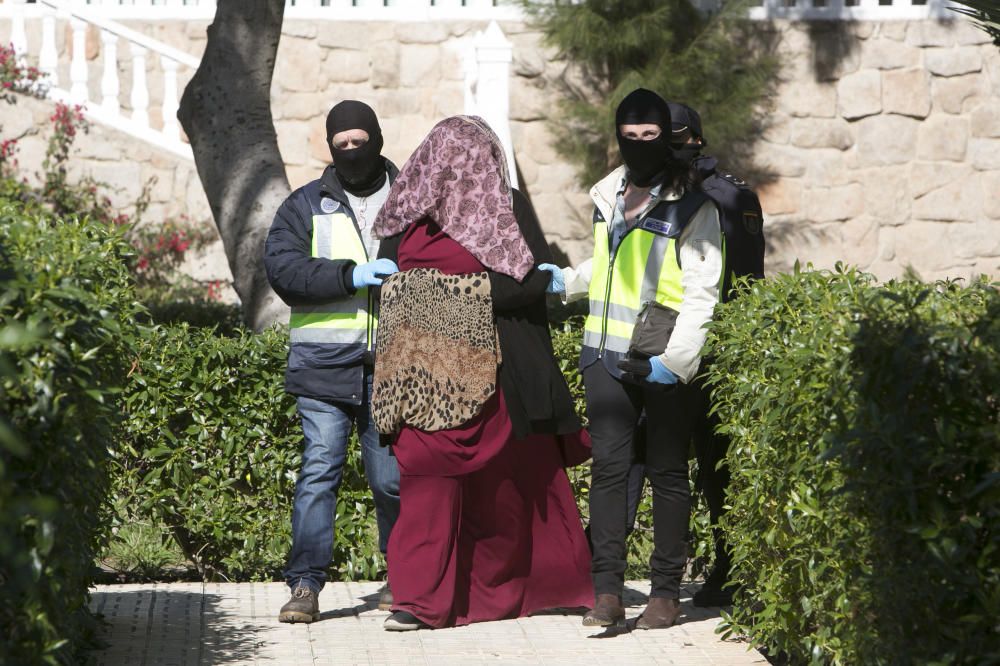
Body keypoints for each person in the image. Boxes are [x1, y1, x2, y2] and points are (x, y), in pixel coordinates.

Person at [370, 115, 593, 631]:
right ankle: (420, 600)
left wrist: (440, 296)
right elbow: (523, 282)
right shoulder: (414, 214)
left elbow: (520, 282)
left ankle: (444, 599)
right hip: (429, 382)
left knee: (505, 488)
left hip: (485, 377)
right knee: (455, 485)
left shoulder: (482, 212)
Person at [539, 88, 723, 630]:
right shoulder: (608, 194)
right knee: (610, 474)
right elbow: (607, 265)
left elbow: (702, 291)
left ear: (666, 138)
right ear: (617, 135)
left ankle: (665, 593)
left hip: (663, 363)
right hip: (605, 357)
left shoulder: (694, 206)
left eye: (650, 137)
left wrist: (678, 361)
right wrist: (565, 282)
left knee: (668, 473)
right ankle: (608, 593)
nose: (639, 145)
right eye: (630, 136)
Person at [264, 100, 401, 623]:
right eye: (341, 144)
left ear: (378, 139)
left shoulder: (410, 200)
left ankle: (401, 577)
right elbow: (283, 269)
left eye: (359, 141)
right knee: (320, 471)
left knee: (390, 480)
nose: (352, 151)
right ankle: (305, 585)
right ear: (330, 147)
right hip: (323, 367)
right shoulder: (305, 204)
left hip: (391, 368)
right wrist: (349, 276)